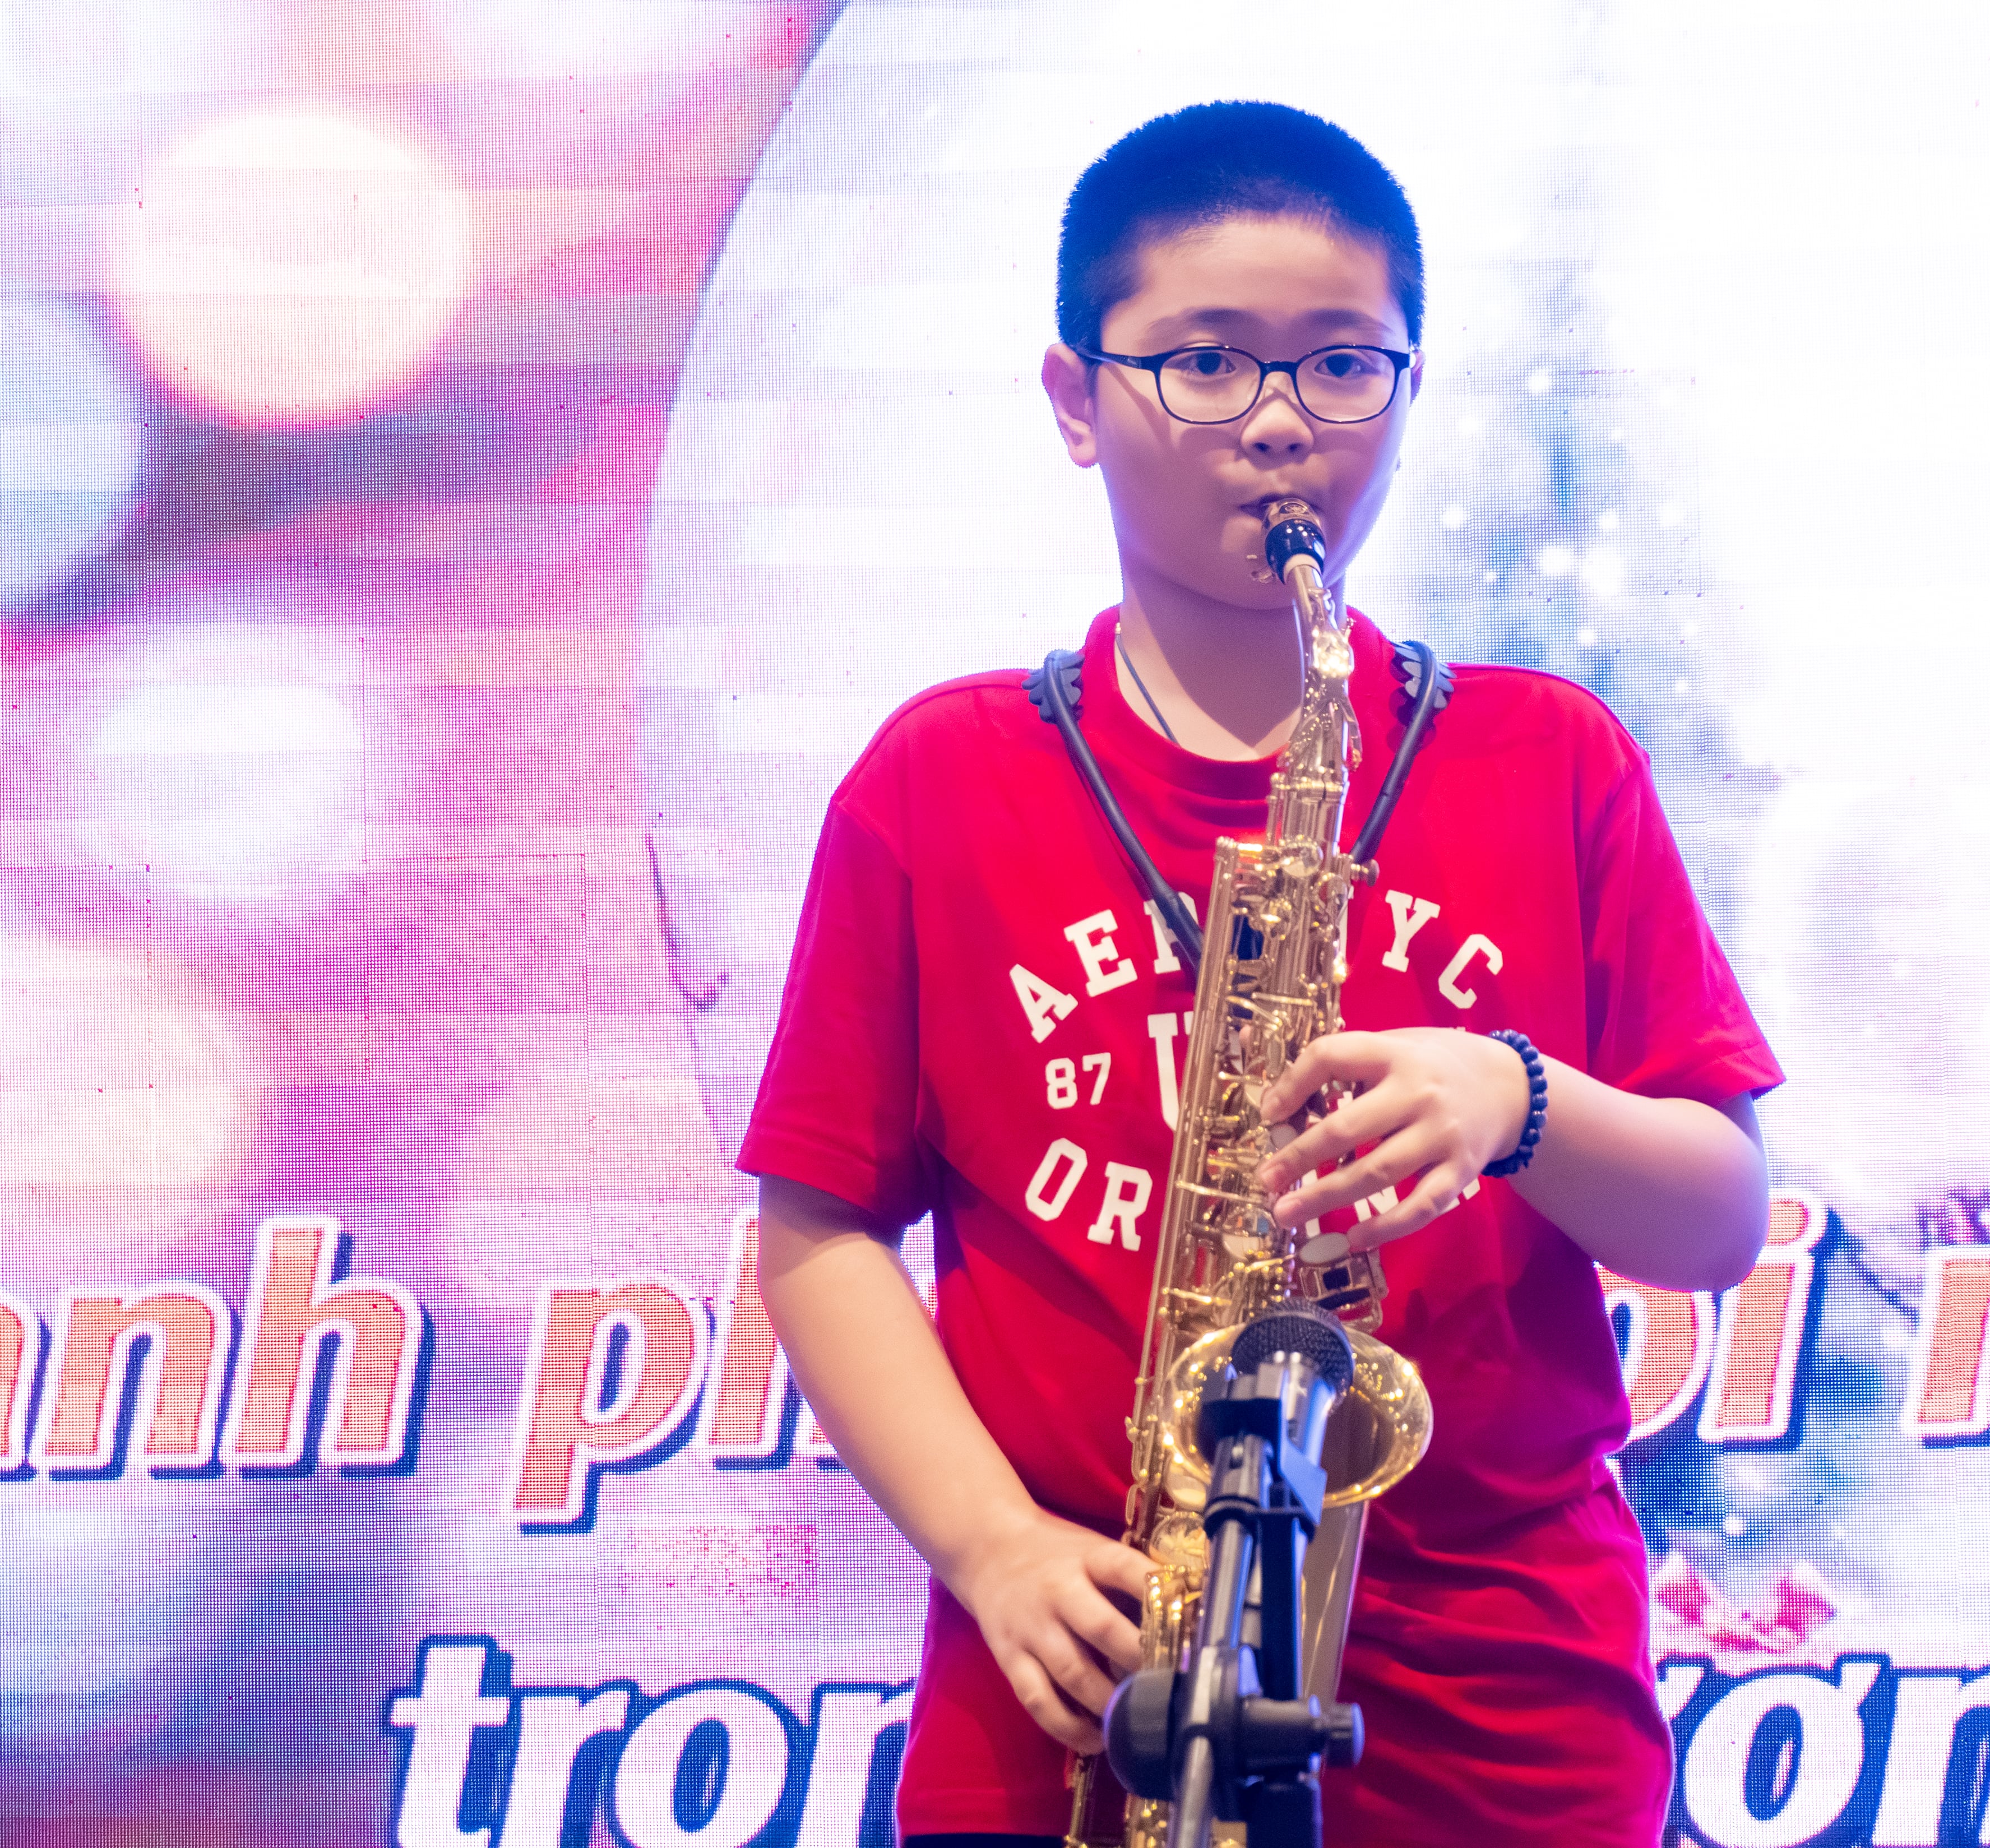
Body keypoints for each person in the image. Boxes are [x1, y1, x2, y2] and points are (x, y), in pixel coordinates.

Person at [741, 100, 1781, 1846]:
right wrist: (990, 1547)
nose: (1280, 422)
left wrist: (1514, 1098)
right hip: (1080, 1701)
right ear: (1074, 401)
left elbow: (1717, 1217)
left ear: (1409, 387)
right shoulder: (939, 778)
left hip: (1499, 1713)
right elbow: (817, 1228)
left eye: (1341, 366)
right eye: (1204, 364)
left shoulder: (1550, 755)